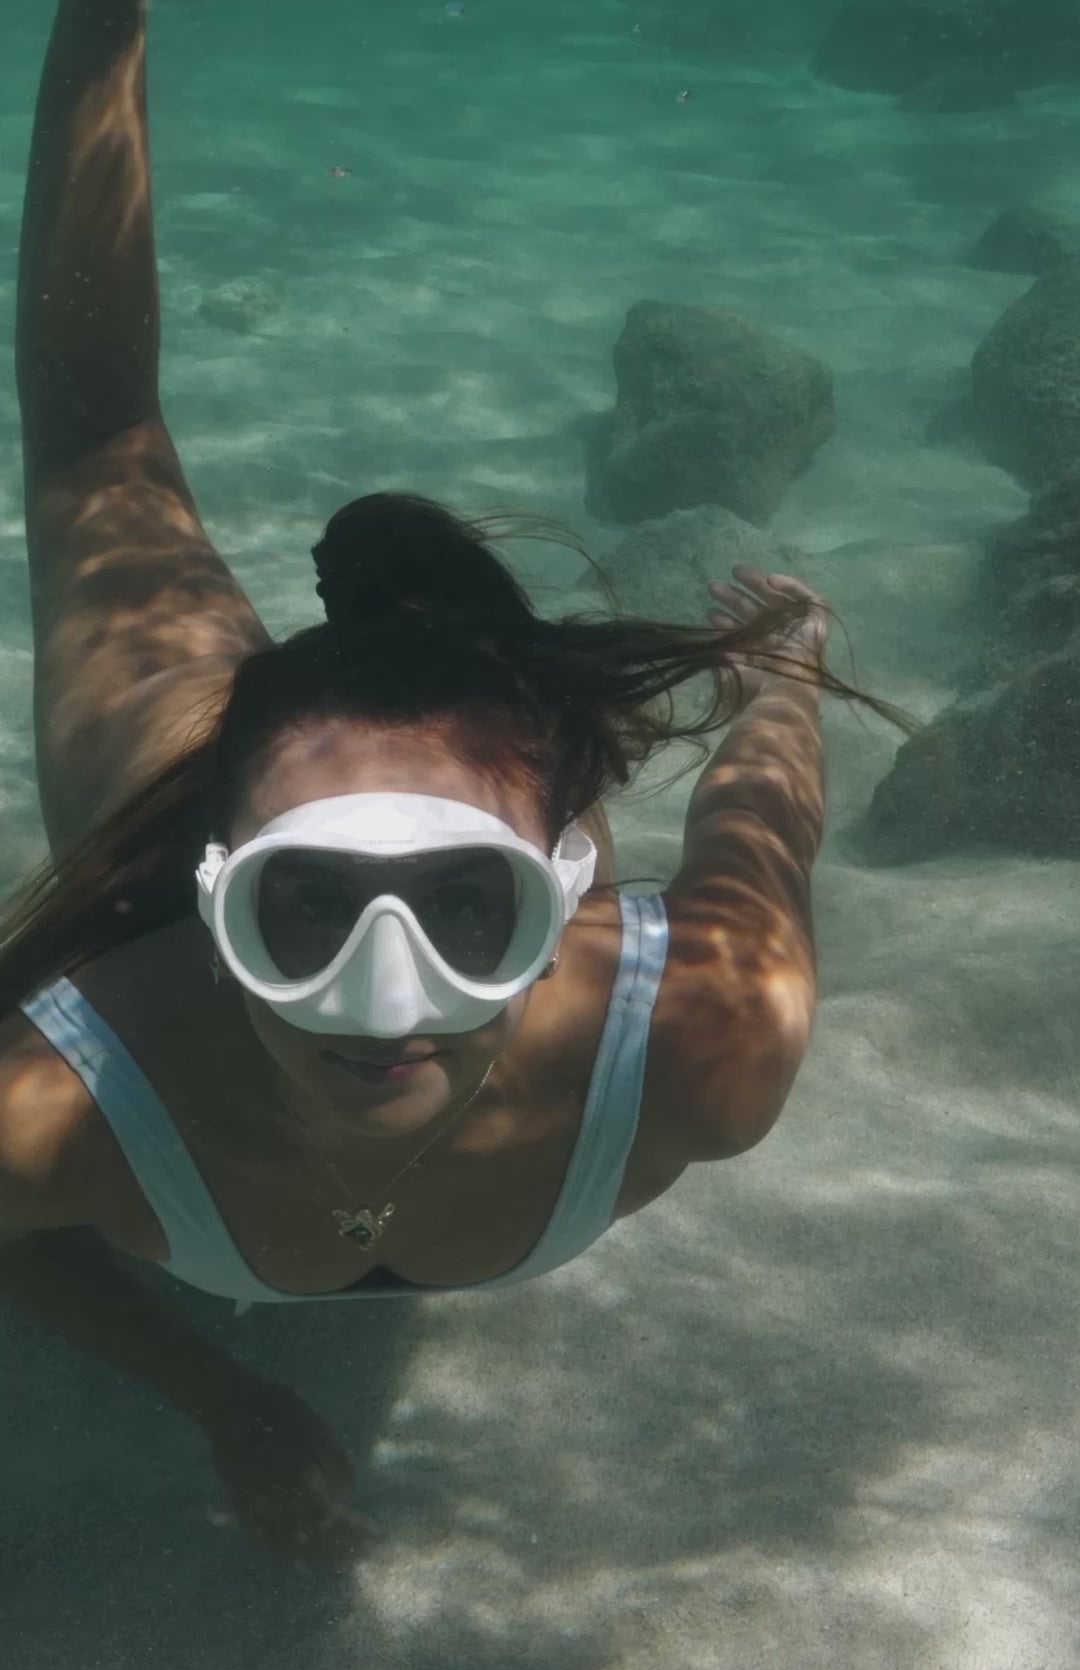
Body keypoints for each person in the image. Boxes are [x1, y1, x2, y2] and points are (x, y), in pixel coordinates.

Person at [1, 0, 892, 1561]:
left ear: (569, 887)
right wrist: (216, 1394)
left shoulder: (707, 1045)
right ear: (218, 894)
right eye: (306, 905)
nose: (386, 995)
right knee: (101, 455)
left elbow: (757, 824)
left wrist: (788, 685)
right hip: (176, 763)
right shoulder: (53, 1108)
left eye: (469, 905)